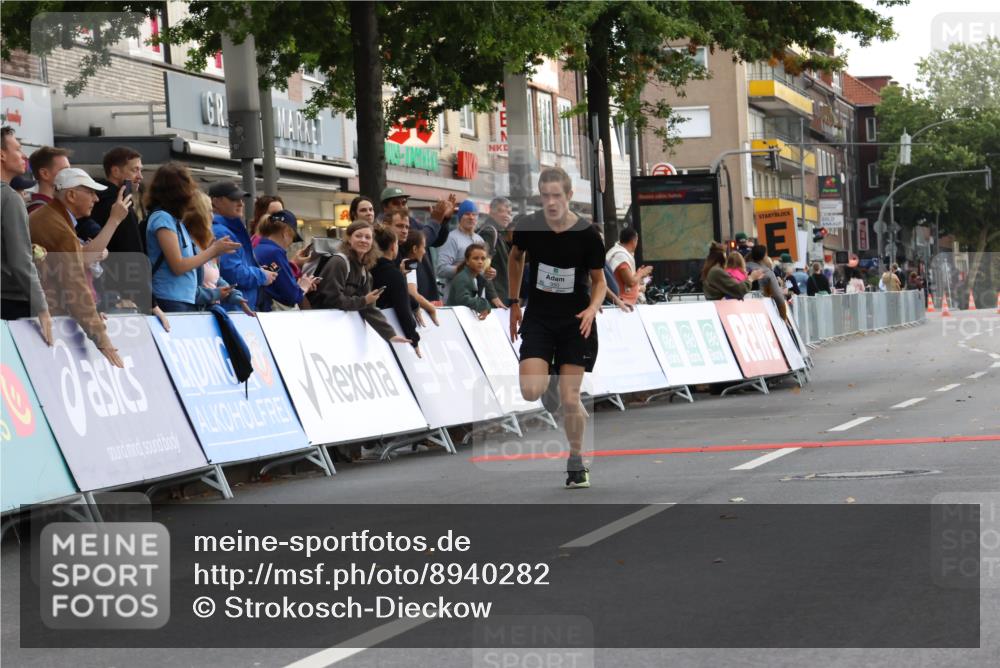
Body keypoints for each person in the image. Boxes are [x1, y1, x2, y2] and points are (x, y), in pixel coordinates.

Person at [507, 166, 607, 490]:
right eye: (545, 196)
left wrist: (592, 308)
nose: (551, 202)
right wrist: (513, 302)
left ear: (569, 195)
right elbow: (516, 258)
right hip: (539, 317)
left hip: (575, 321)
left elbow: (600, 282)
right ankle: (551, 379)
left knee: (570, 399)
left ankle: (576, 460)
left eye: (557, 196)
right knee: (530, 390)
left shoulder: (587, 234)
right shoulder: (529, 226)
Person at [28, 168, 124, 366]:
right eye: (91, 192)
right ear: (71, 195)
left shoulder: (50, 217)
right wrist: (102, 339)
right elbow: (75, 286)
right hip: (43, 318)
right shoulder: (58, 226)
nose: (96, 199)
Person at [146, 164, 241, 312]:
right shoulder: (163, 218)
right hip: (171, 297)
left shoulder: (174, 220)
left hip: (182, 297)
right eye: (187, 185)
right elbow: (178, 266)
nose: (191, 191)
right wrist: (213, 250)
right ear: (178, 191)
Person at [310, 220, 412, 346]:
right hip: (320, 328)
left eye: (368, 237)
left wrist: (390, 335)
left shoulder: (365, 272)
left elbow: (369, 309)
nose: (363, 240)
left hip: (338, 329)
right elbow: (332, 299)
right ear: (349, 239)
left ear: (372, 243)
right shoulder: (339, 262)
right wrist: (364, 300)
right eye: (358, 236)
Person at [1, 127, 53, 341]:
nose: (24, 156)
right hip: (11, 304)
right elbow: (20, 261)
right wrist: (42, 308)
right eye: (18, 149)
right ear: (2, 155)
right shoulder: (10, 199)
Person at [184, 191, 256, 314]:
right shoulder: (188, 246)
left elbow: (216, 279)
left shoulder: (209, 242)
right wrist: (261, 275)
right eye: (209, 211)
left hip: (211, 313)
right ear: (198, 215)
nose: (212, 216)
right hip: (197, 313)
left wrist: (234, 294)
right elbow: (186, 291)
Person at [210, 181, 277, 310]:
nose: (241, 203)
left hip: (237, 307)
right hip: (232, 309)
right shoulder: (220, 232)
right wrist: (262, 275)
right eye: (234, 199)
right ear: (216, 202)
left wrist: (259, 271)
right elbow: (232, 273)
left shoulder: (228, 229)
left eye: (241, 199)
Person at [380, 186, 455, 302]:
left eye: (404, 202)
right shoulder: (383, 226)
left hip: (424, 290)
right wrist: (435, 221)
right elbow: (419, 241)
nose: (401, 206)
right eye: (396, 203)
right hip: (407, 297)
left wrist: (444, 220)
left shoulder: (411, 221)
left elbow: (436, 240)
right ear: (385, 207)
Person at [254, 211, 320, 311]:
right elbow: (291, 296)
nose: (291, 243)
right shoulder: (275, 252)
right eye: (293, 238)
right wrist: (303, 287)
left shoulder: (258, 248)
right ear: (285, 233)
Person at [371, 224, 421, 354]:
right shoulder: (393, 274)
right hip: (385, 332)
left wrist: (414, 304)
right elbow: (403, 310)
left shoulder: (369, 267)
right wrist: (413, 338)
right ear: (393, 247)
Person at [437, 200, 493, 299]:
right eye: (467, 214)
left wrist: (487, 272)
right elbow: (441, 269)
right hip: (456, 299)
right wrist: (464, 268)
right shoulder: (451, 238)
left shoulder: (479, 240)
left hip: (477, 299)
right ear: (460, 217)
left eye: (474, 214)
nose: (471, 217)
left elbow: (481, 271)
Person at [446, 243, 505, 318]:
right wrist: (484, 304)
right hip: (454, 318)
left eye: (483, 259)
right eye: (476, 258)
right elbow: (463, 299)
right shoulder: (462, 278)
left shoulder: (479, 278)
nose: (480, 262)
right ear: (467, 261)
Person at [398, 227, 438, 327]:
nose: (424, 252)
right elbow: (413, 294)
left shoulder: (403, 262)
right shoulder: (409, 264)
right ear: (415, 249)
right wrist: (431, 308)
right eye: (423, 247)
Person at [476, 196, 514, 301]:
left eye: (509, 213)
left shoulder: (500, 233)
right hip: (495, 298)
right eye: (501, 211)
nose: (507, 216)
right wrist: (494, 297)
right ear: (491, 212)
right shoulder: (489, 232)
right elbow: (484, 268)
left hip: (501, 294)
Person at [605, 227, 650, 306]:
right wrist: (642, 273)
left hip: (624, 304)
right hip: (622, 305)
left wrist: (638, 273)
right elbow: (630, 282)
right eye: (637, 240)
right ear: (633, 241)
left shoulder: (618, 252)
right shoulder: (621, 256)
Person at [26, 146, 71, 214]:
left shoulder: (55, 205)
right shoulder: (39, 209)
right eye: (65, 170)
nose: (70, 174)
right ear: (44, 174)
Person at [746, 244, 788, 314]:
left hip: (742, 307)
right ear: (764, 257)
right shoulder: (767, 272)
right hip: (761, 308)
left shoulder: (742, 268)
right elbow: (778, 295)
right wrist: (784, 315)